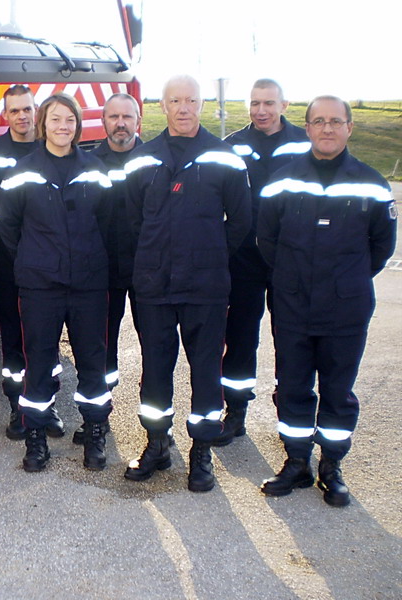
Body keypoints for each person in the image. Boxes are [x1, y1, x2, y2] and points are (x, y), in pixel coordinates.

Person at [257, 95, 396, 507]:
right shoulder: (282, 180)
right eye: (319, 121)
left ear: (349, 128)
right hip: (293, 305)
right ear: (308, 128)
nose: (328, 129)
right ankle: (296, 462)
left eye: (336, 121)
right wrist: (293, 280)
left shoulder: (371, 182)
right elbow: (267, 242)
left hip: (346, 308)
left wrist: (344, 281)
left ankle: (331, 468)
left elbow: (381, 248)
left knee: (338, 391)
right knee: (294, 387)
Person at [123, 76, 250, 492]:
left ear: (201, 104)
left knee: (205, 373)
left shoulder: (226, 158)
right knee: (155, 371)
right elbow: (133, 223)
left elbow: (241, 223)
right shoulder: (143, 159)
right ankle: (157, 444)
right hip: (155, 289)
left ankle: (201, 455)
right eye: (175, 100)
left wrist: (209, 258)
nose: (183, 108)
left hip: (205, 288)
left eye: (191, 100)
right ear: (163, 105)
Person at [0, 93, 113, 472]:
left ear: (78, 125)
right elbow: (8, 227)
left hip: (88, 285)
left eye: (70, 120)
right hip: (40, 286)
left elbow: (109, 223)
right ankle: (36, 437)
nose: (63, 127)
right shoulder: (23, 171)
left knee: (92, 363)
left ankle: (95, 434)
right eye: (56, 119)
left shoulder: (94, 169)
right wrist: (35, 257)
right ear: (42, 123)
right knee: (40, 363)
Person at [213, 79, 311, 446]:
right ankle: (235, 412)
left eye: (269, 103)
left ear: (284, 104)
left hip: (290, 259)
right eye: (255, 103)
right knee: (238, 338)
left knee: (291, 339)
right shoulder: (233, 146)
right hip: (245, 259)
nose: (261, 111)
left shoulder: (306, 144)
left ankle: (292, 418)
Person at [0, 85, 65, 441]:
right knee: (13, 335)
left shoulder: (51, 151)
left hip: (48, 264)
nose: (22, 117)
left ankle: (48, 403)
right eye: (15, 111)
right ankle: (17, 405)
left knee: (46, 338)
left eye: (27, 109)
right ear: (5, 115)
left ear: (36, 111)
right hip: (7, 263)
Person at [85, 93, 143, 437]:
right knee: (100, 343)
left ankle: (156, 425)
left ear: (138, 120)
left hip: (145, 268)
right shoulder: (89, 163)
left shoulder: (154, 160)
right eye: (113, 117)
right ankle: (100, 414)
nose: (120, 123)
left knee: (154, 344)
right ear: (104, 121)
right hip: (102, 269)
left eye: (127, 117)